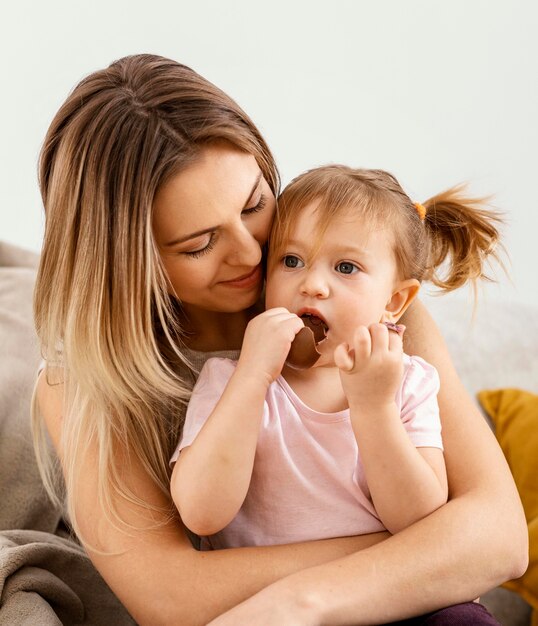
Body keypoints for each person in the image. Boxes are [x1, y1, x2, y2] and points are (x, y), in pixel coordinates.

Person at [33, 54, 527, 626]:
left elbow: (500, 537)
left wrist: (305, 599)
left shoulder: (365, 310)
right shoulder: (84, 378)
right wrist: (424, 550)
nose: (251, 255)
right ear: (124, 263)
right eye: (198, 244)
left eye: (254, 206)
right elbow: (170, 597)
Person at [171, 165, 461, 549]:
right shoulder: (227, 380)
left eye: (346, 267)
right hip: (262, 598)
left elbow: (421, 527)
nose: (312, 285)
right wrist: (252, 378)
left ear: (394, 302)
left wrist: (374, 408)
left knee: (465, 615)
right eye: (291, 261)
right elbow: (201, 514)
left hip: (397, 596)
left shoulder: (408, 382)